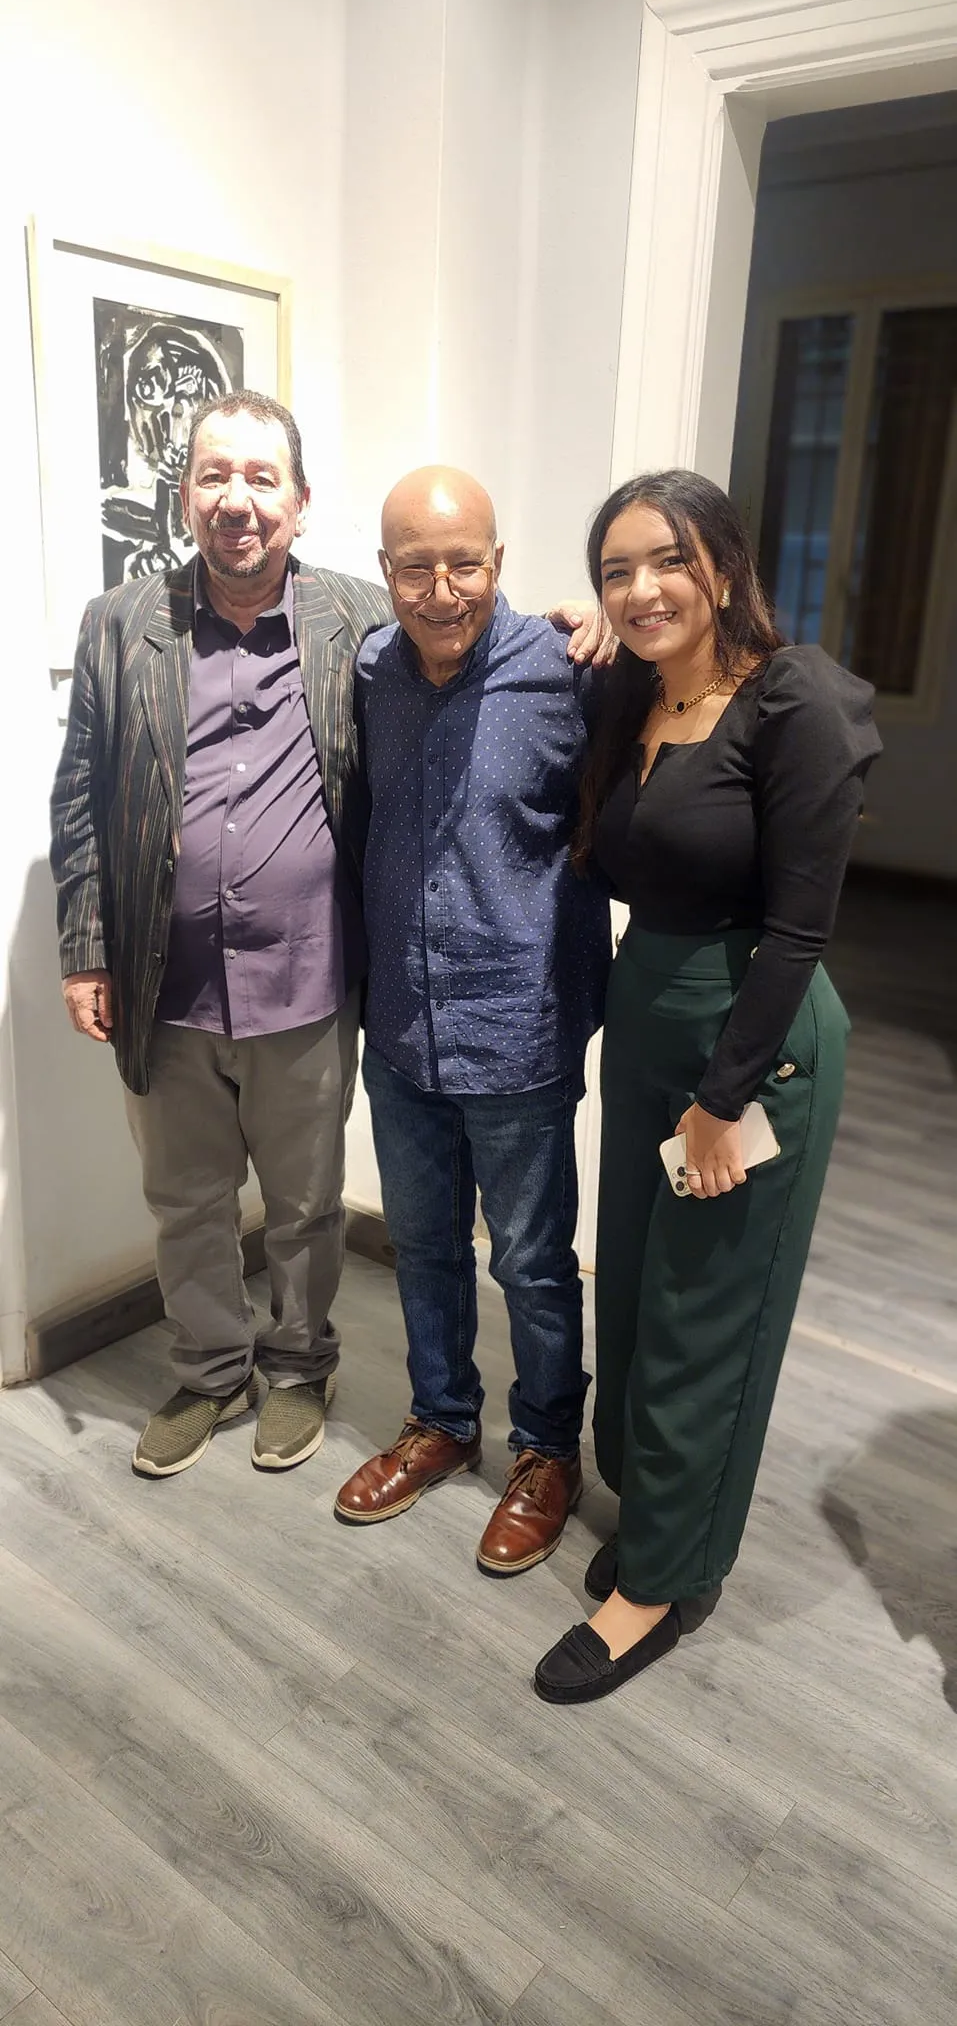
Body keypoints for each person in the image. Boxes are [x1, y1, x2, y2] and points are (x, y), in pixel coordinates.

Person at [533, 469, 881, 1703]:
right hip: (648, 1021)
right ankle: (662, 1509)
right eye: (615, 570)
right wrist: (575, 630)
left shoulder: (795, 702)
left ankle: (666, 1581)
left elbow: (799, 930)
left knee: (703, 1312)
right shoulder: (636, 695)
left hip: (753, 1040)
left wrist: (724, 1097)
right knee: (631, 1279)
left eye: (668, 560)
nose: (641, 589)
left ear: (724, 566)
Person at [51, 390, 392, 1478]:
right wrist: (86, 947)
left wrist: (582, 624)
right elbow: (81, 797)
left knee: (304, 1204)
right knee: (187, 1201)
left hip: (309, 978)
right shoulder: (120, 623)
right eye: (214, 475)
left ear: (300, 500)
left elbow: (470, 645)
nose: (236, 500)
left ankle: (298, 1366)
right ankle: (209, 1370)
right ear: (185, 492)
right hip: (163, 981)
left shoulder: (363, 618)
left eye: (260, 477)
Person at [334, 467, 611, 1575]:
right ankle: (442, 1420)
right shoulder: (370, 670)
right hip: (402, 1024)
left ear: (499, 563)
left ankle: (547, 1449)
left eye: (464, 563)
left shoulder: (570, 670)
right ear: (386, 570)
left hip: (520, 1025)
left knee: (534, 1264)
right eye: (416, 566)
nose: (440, 589)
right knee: (424, 1246)